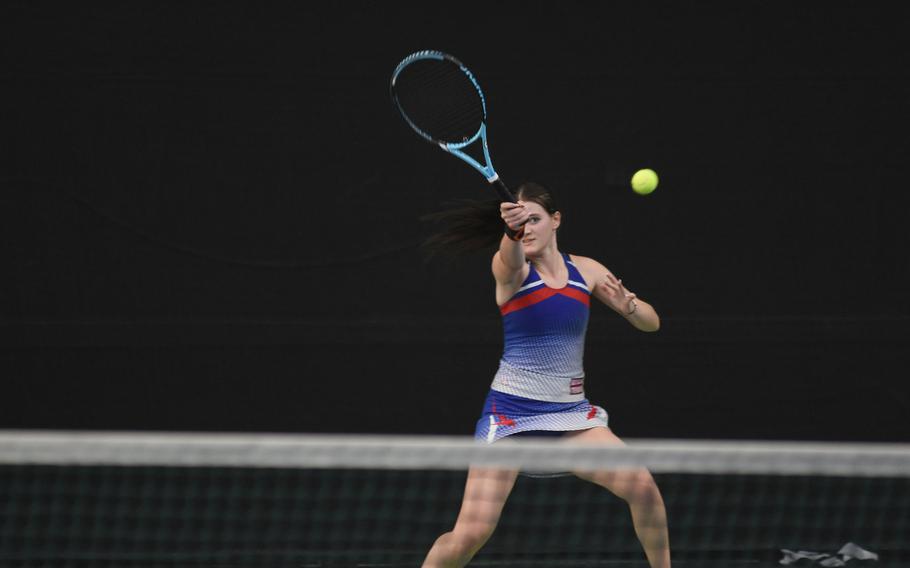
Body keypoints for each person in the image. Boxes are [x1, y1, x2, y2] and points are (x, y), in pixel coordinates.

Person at [420, 182, 671, 568]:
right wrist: (511, 231)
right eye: (522, 223)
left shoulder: (585, 271)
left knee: (643, 489)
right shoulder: (512, 271)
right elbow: (509, 256)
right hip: (510, 419)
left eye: (535, 219)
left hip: (571, 417)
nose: (529, 229)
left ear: (556, 220)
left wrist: (629, 306)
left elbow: (651, 324)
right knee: (471, 534)